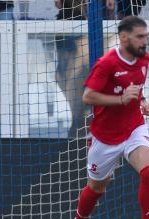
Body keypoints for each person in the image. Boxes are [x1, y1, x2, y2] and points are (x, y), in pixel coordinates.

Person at [69, 16, 149, 219]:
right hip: (104, 136)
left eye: (145, 36)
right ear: (124, 37)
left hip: (134, 126)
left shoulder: (144, 57)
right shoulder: (107, 63)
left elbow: (135, 88)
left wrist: (142, 102)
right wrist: (121, 99)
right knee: (96, 187)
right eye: (140, 37)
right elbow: (88, 97)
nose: (145, 41)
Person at [54, 0, 90, 137]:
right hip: (71, 74)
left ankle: (77, 129)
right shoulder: (70, 19)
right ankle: (76, 130)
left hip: (70, 74)